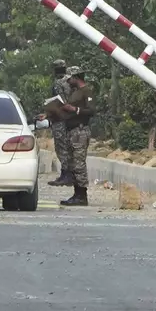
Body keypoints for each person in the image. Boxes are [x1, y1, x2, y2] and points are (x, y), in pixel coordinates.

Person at [60, 66, 95, 206]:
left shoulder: (87, 91)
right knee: (73, 164)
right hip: (71, 131)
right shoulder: (75, 92)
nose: (68, 81)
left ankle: (82, 195)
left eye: (70, 79)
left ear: (76, 77)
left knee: (79, 164)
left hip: (80, 132)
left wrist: (75, 109)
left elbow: (92, 110)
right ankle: (77, 194)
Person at [47, 59, 73, 187]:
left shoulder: (58, 83)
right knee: (69, 147)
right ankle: (68, 175)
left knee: (61, 147)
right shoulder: (71, 80)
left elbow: (61, 102)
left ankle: (66, 175)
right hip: (73, 119)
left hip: (61, 120)